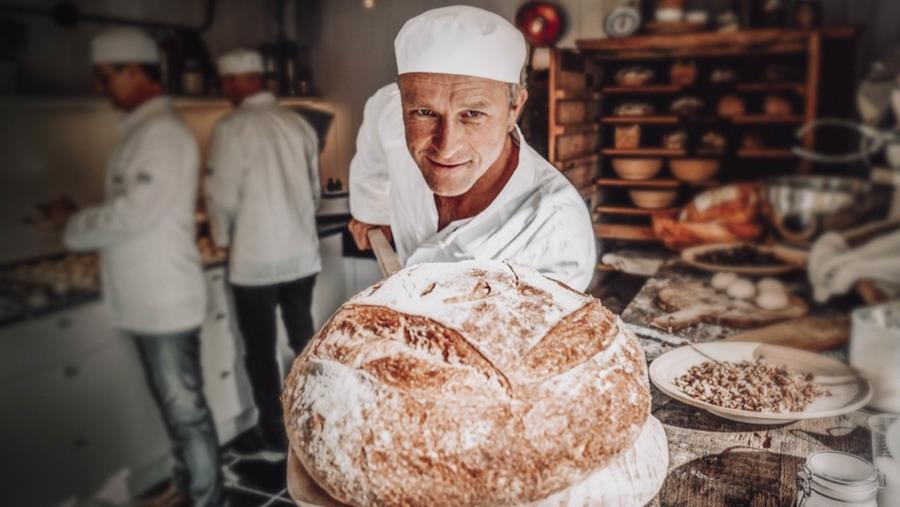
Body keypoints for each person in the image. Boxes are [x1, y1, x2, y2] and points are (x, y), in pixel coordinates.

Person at [63, 27, 223, 507]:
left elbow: (135, 212)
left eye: (105, 77)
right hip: (149, 299)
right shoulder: (144, 132)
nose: (99, 88)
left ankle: (207, 498)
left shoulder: (163, 133)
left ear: (135, 72)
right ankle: (187, 485)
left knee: (186, 410)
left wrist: (74, 226)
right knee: (174, 409)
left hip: (165, 301)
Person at [347, 5, 596, 292]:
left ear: (514, 109)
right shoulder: (389, 111)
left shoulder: (554, 232)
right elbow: (373, 154)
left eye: (473, 114)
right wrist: (373, 212)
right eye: (424, 112)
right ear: (403, 101)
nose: (446, 147)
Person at [206, 49, 321, 454]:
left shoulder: (231, 128)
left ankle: (274, 432)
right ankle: (313, 417)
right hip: (302, 255)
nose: (225, 90)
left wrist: (219, 239)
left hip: (255, 260)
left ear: (238, 82)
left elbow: (221, 197)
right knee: (303, 340)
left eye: (226, 83)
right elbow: (314, 190)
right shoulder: (297, 123)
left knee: (259, 348)